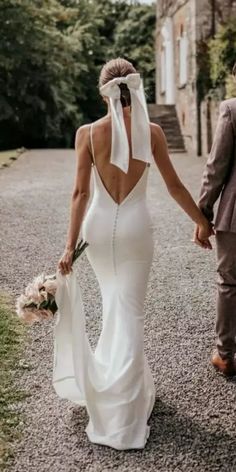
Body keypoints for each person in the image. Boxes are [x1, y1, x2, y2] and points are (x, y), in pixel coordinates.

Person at [55, 58, 211, 450]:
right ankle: (122, 411)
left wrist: (69, 246)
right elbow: (175, 185)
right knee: (129, 312)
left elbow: (80, 194)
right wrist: (201, 222)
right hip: (136, 231)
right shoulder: (153, 132)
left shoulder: (88, 133)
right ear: (135, 88)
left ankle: (113, 383)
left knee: (114, 307)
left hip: (97, 229)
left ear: (102, 89)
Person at [195, 64, 236, 377]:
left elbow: (215, 168)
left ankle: (224, 354)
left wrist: (203, 214)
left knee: (229, 282)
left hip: (234, 218)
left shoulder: (231, 110)